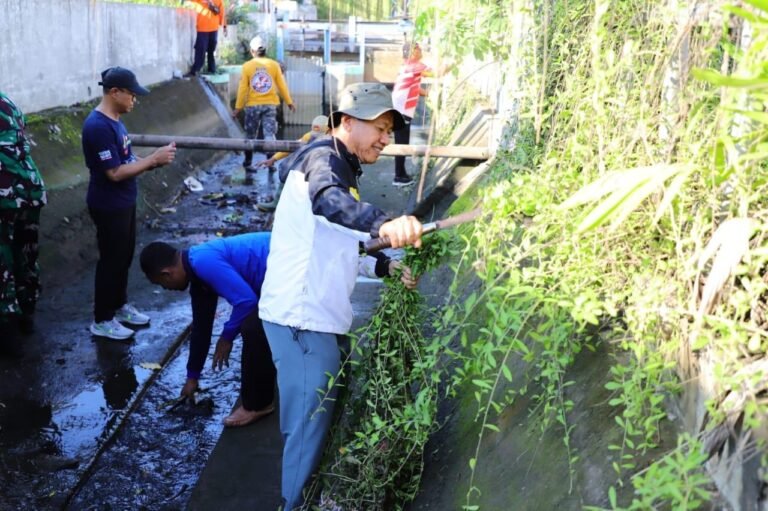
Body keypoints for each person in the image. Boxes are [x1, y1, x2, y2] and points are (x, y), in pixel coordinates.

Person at [259, 82, 424, 510]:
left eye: (390, 130)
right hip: (302, 319)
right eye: (381, 127)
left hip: (323, 317)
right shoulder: (323, 160)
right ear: (347, 122)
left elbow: (340, 240)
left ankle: (309, 498)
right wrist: (385, 223)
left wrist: (386, 265)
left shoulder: (343, 168)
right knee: (307, 429)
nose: (386, 139)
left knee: (322, 420)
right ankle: (291, 504)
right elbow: (328, 202)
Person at [139, 233, 276, 427]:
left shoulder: (203, 262)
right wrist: (192, 378)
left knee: (251, 326)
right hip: (283, 271)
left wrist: (226, 337)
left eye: (160, 284)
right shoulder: (197, 273)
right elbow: (201, 330)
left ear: (166, 274)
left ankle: (258, 404)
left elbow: (247, 302)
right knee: (255, 320)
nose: (165, 289)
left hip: (299, 264)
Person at [82, 67, 177, 340]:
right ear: (115, 92)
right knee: (111, 261)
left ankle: (119, 305)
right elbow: (113, 172)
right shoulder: (97, 126)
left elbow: (126, 160)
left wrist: (151, 163)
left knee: (123, 257)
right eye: (132, 95)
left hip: (124, 201)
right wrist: (152, 160)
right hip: (108, 204)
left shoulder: (116, 120)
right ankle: (102, 319)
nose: (134, 100)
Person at [0, 92, 47, 357]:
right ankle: (27, 315)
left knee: (3, 261)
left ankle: (8, 336)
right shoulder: (7, 101)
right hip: (30, 188)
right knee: (26, 253)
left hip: (5, 195)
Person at [232, 36, 295, 172]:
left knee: (250, 135)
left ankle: (248, 162)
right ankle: (270, 163)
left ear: (252, 51)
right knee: (269, 135)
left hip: (252, 106)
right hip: (270, 105)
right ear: (265, 50)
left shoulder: (247, 66)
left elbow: (243, 89)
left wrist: (238, 108)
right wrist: (289, 102)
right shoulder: (274, 65)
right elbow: (282, 85)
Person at [253, 114, 329, 212]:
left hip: (324, 166)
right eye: (315, 135)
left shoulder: (335, 139)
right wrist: (273, 159)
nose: (317, 138)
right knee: (287, 166)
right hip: (310, 164)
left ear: (329, 131)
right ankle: (277, 202)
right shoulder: (308, 137)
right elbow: (291, 147)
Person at [391, 42, 433, 187]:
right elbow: (436, 73)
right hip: (403, 109)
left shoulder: (406, 67)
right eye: (418, 48)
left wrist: (427, 94)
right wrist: (452, 63)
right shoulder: (416, 66)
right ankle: (398, 177)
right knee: (401, 143)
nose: (421, 50)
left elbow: (414, 87)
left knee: (401, 142)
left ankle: (400, 174)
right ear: (412, 53)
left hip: (400, 108)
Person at [184, 0, 227, 76]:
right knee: (201, 49)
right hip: (202, 28)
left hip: (214, 28)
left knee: (211, 50)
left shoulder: (218, 1)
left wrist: (224, 26)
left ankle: (212, 69)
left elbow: (221, 13)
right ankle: (195, 70)